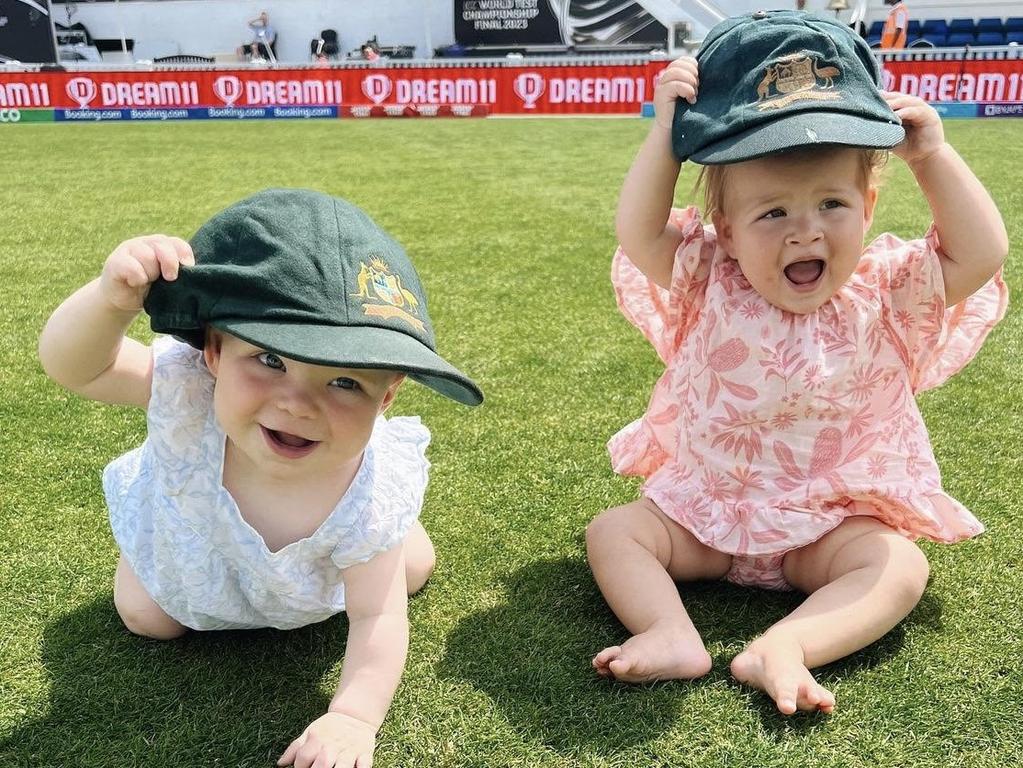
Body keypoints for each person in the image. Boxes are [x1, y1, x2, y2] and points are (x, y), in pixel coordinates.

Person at [586, 10, 1007, 715]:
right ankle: (667, 631)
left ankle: (788, 644)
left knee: (897, 566)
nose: (805, 229)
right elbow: (637, 233)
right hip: (706, 512)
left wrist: (931, 156)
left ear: (868, 206)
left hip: (827, 523)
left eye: (831, 203)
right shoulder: (707, 275)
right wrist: (665, 134)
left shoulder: (885, 289)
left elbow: (980, 253)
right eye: (771, 214)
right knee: (614, 531)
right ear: (726, 229)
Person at [38, 189, 483, 766]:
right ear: (216, 354)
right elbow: (77, 367)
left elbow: (377, 616)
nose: (297, 404)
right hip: (197, 549)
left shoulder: (368, 489)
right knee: (148, 619)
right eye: (271, 360)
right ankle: (155, 555)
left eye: (345, 382)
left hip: (310, 573)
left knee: (409, 572)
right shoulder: (187, 388)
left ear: (387, 397)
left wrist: (352, 718)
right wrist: (109, 301)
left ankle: (395, 545)